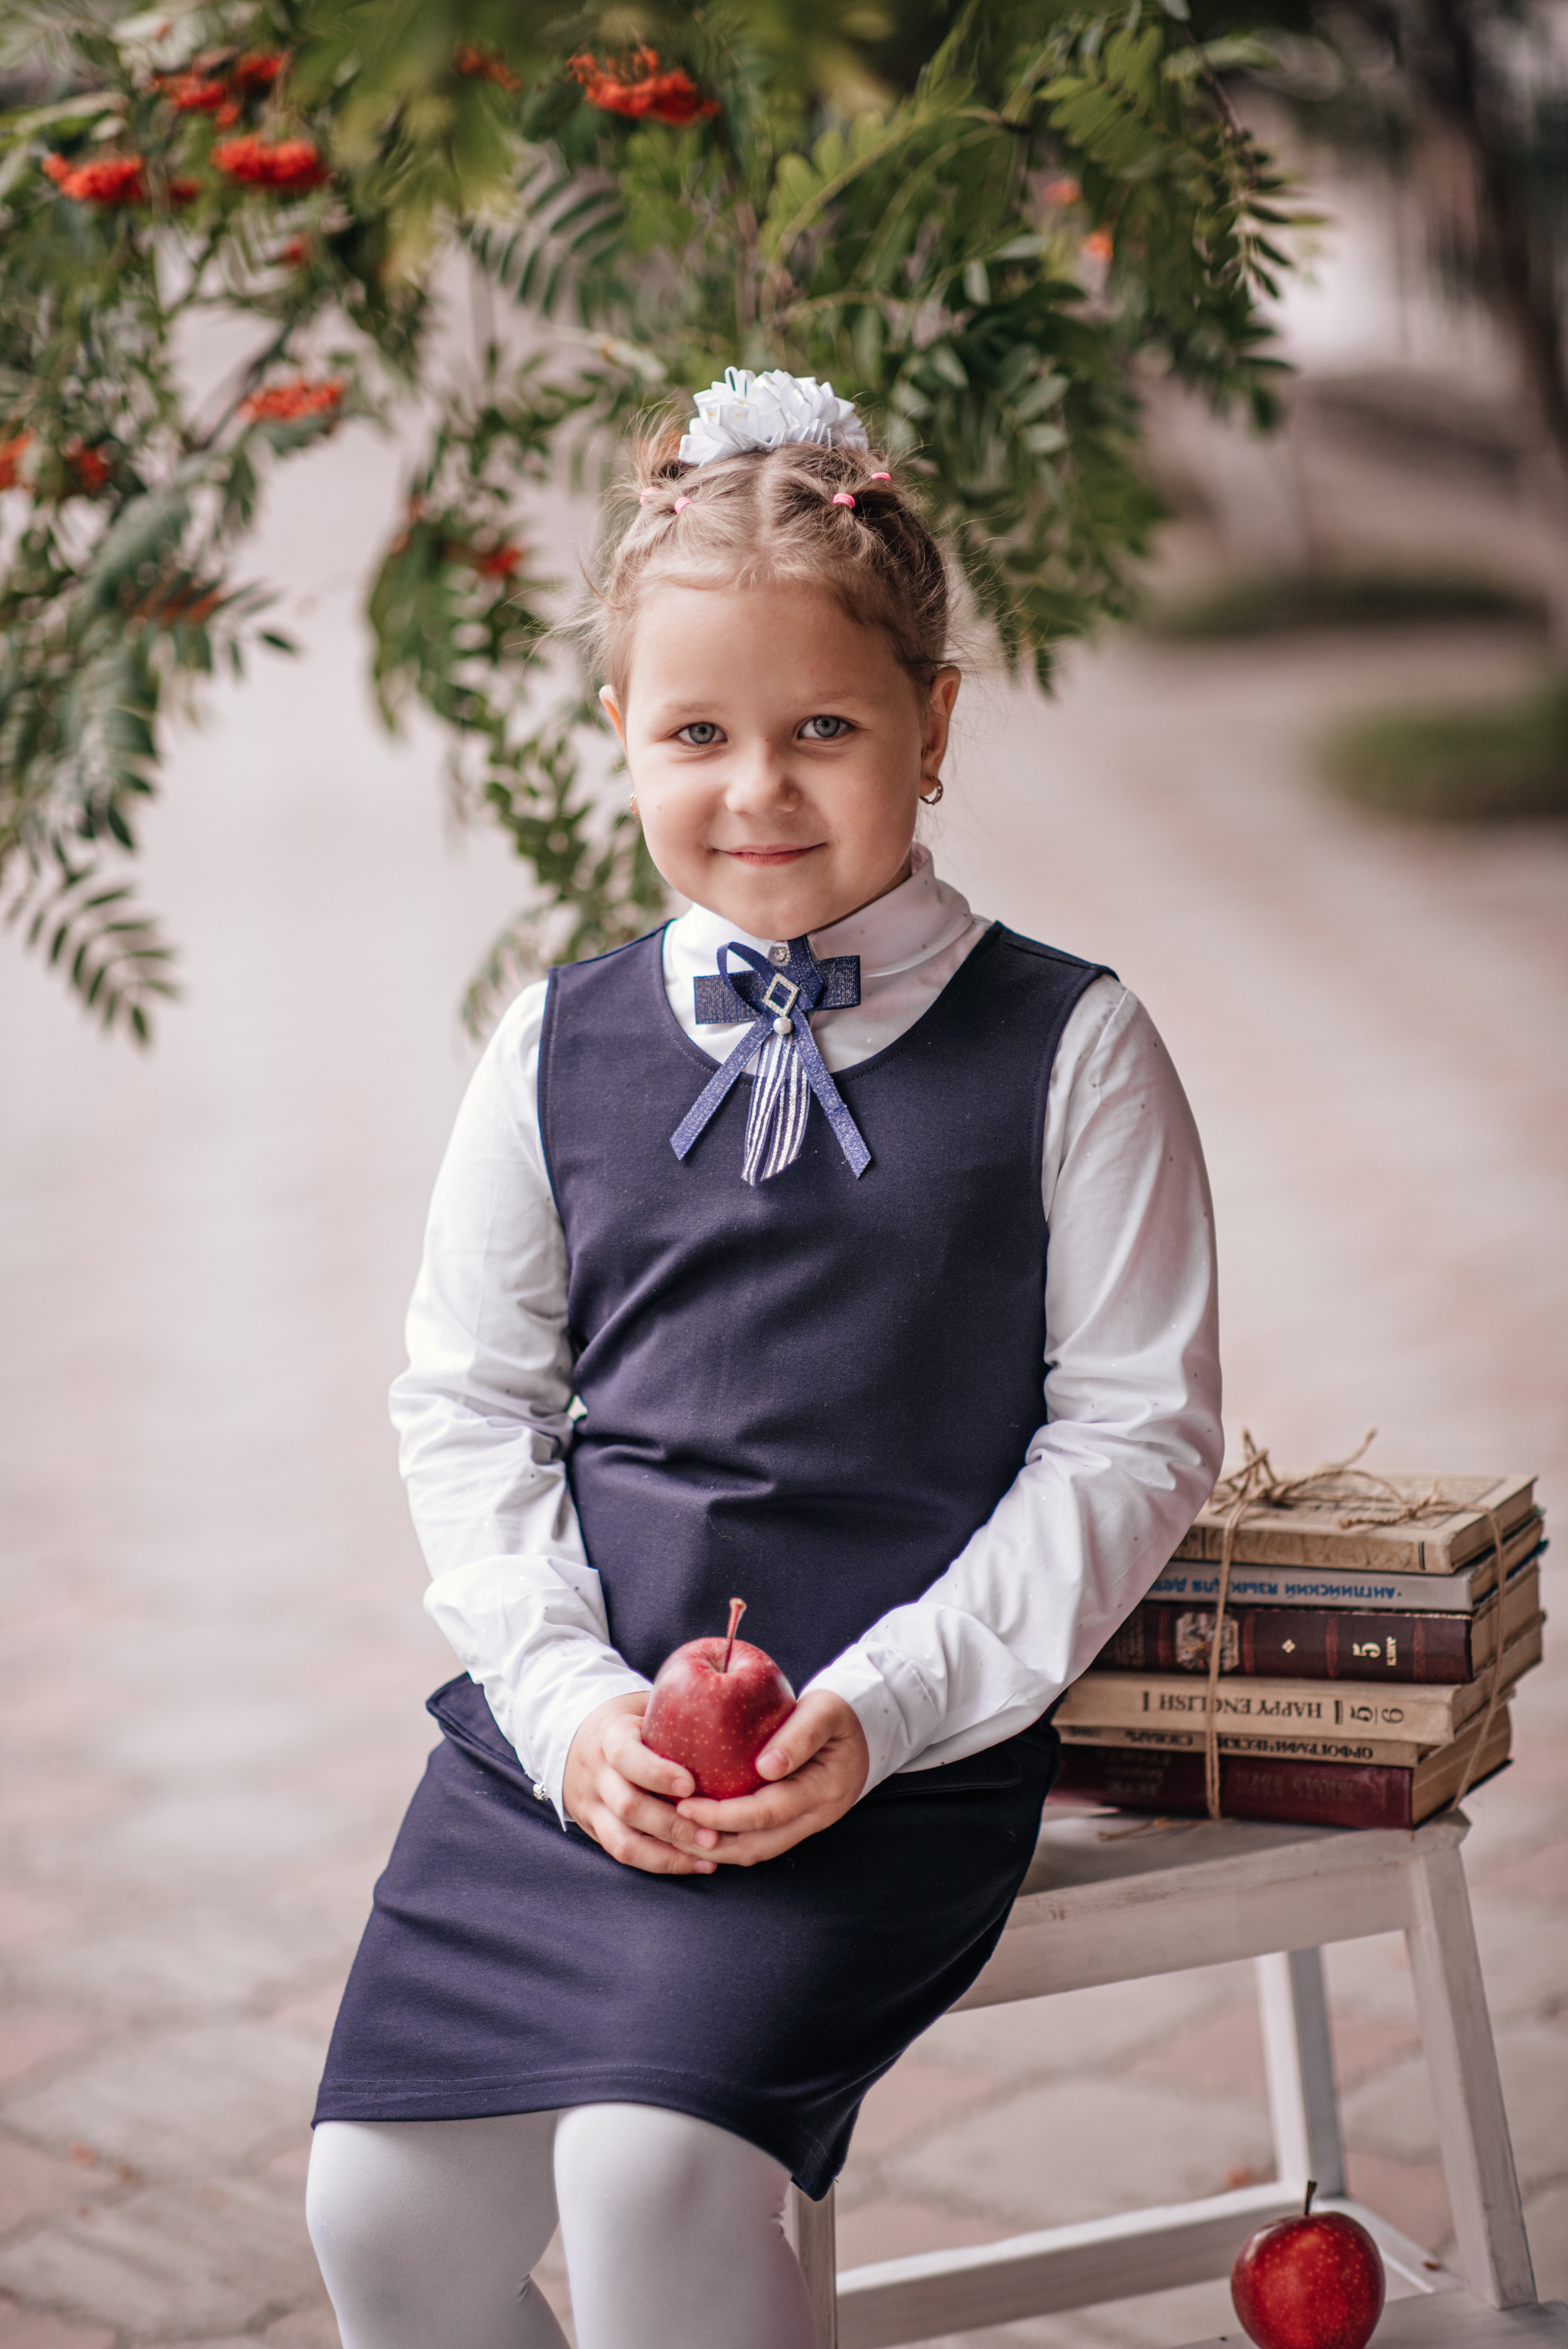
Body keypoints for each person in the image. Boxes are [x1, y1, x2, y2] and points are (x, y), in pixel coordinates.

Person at [304, 368, 1223, 2349]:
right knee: (375, 2213)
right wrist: (563, 1713)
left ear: (936, 725)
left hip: (883, 1752)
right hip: (581, 1743)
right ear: (617, 734)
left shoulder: (1071, 1047)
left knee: (652, 2169)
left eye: (825, 727)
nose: (760, 788)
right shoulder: (557, 1044)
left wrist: (886, 1708)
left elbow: (1135, 1436)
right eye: (697, 732)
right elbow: (466, 1401)